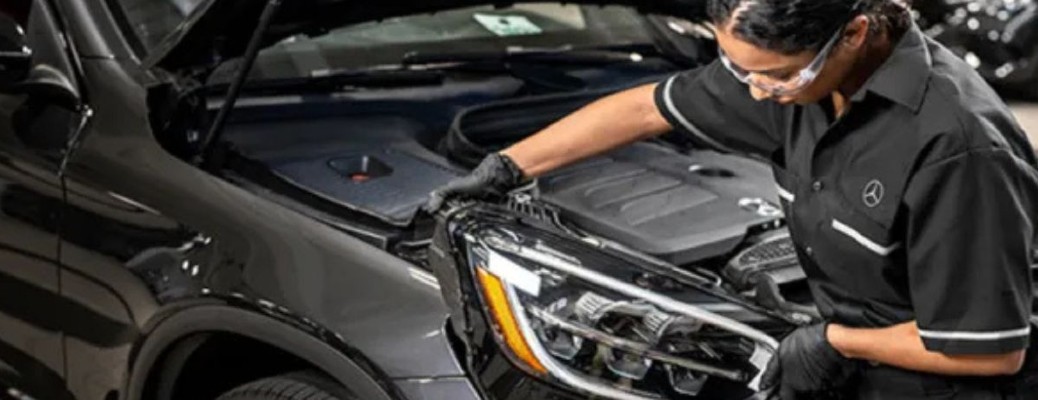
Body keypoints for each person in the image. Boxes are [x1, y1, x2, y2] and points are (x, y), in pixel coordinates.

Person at [427, 0, 1038, 398]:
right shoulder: (794, 78)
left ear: (854, 32)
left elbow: (988, 352)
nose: (755, 91)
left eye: (774, 75)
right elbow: (645, 108)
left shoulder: (957, 147)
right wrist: (508, 165)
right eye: (737, 68)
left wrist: (832, 340)